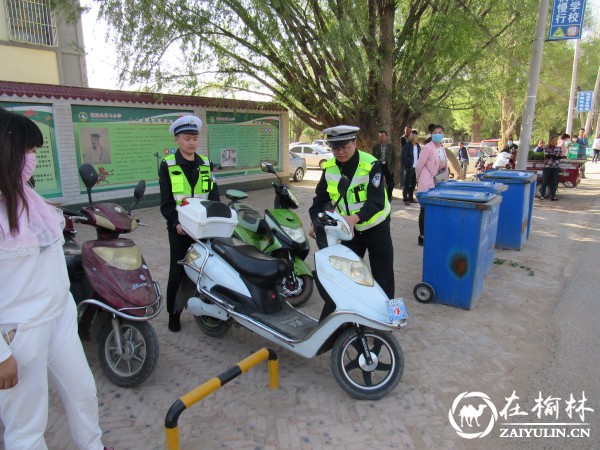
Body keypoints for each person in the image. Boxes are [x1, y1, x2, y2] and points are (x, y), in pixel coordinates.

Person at [0, 109, 111, 450]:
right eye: (29, 151)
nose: (33, 159)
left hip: (60, 314)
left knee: (82, 392)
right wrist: (1, 354)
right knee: (27, 426)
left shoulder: (26, 196)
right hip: (20, 330)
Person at [308, 125, 394, 307]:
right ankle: (350, 314)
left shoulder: (371, 165)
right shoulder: (329, 167)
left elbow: (377, 200)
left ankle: (385, 321)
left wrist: (355, 218)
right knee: (346, 274)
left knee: (383, 275)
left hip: (375, 227)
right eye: (335, 148)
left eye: (344, 147)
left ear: (354, 143)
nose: (339, 152)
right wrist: (316, 221)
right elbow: (320, 200)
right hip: (348, 231)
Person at [159, 115, 220, 332]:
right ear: (177, 139)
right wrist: (175, 223)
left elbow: (213, 195)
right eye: (187, 138)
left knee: (207, 267)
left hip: (204, 227)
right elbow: (166, 202)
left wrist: (218, 217)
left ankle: (208, 307)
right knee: (178, 270)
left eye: (195, 138)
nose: (192, 142)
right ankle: (173, 314)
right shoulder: (168, 165)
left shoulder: (205, 163)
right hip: (180, 230)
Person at [415, 125, 444, 246]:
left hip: (439, 182)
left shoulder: (442, 148)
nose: (438, 135)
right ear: (431, 134)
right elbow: (419, 166)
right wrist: (419, 179)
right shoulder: (427, 148)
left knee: (435, 209)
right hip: (427, 182)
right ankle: (422, 236)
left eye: (440, 132)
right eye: (435, 133)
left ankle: (432, 233)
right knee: (424, 209)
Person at [371, 130, 396, 199]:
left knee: (390, 184)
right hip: (379, 167)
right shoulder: (375, 147)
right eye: (380, 136)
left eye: (383, 136)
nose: (382, 137)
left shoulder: (391, 147)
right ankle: (380, 198)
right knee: (378, 183)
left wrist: (392, 167)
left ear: (386, 137)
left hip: (388, 167)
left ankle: (389, 197)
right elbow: (372, 157)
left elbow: (394, 158)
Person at [539, 135, 562, 201]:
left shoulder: (559, 148)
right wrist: (553, 156)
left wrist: (551, 156)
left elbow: (559, 156)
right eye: (553, 140)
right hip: (547, 166)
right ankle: (542, 195)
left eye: (555, 140)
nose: (554, 142)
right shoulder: (546, 148)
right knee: (544, 181)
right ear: (550, 141)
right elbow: (546, 155)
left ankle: (553, 196)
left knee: (554, 181)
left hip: (555, 167)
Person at [401, 130, 420, 205]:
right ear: (410, 137)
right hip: (409, 167)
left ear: (417, 137)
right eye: (412, 136)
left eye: (415, 136)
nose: (413, 138)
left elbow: (419, 156)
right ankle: (405, 199)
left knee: (413, 183)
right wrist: (407, 166)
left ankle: (411, 198)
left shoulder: (418, 146)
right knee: (407, 183)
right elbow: (404, 156)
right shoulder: (407, 145)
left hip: (416, 167)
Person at [398, 125, 412, 191]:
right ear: (405, 130)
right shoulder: (403, 138)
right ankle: (402, 184)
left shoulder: (411, 138)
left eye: (409, 130)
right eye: (406, 130)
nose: (408, 131)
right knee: (402, 170)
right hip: (404, 156)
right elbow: (404, 146)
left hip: (411, 156)